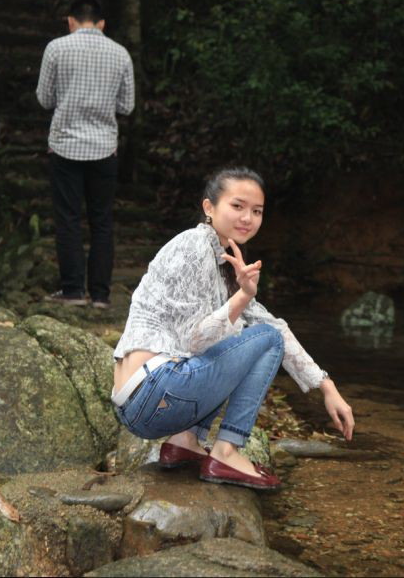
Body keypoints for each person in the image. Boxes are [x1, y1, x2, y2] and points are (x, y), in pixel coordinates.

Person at [112, 166, 354, 490]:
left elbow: (273, 325)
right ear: (209, 207)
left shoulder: (222, 261)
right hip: (155, 391)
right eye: (237, 206)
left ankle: (185, 441)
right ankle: (226, 452)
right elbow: (196, 340)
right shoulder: (194, 245)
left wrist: (327, 387)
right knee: (263, 340)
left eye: (257, 211)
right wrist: (243, 295)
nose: (247, 218)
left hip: (142, 402)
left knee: (257, 334)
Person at [36, 0, 135, 309]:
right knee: (102, 221)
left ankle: (73, 291)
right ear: (102, 24)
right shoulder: (120, 53)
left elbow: (44, 99)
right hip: (104, 148)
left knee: (68, 219)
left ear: (70, 21)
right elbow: (127, 106)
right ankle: (101, 295)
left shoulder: (56, 48)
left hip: (65, 146)